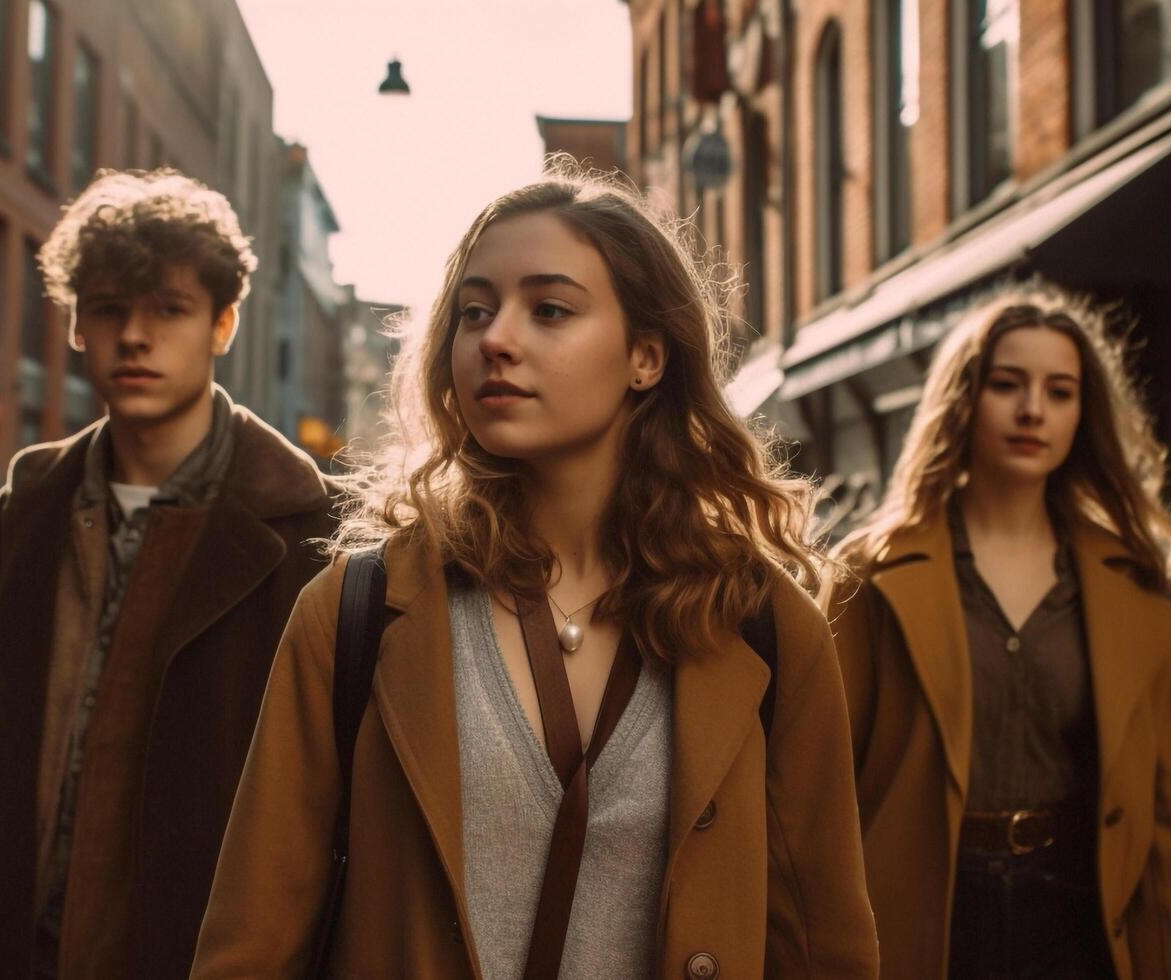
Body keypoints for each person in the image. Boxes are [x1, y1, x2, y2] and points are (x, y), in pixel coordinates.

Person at [191, 167, 878, 978]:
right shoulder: (358, 611)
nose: (496, 339)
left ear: (646, 358)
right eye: (474, 311)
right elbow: (253, 942)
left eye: (549, 309)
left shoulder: (761, 623)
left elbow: (821, 942)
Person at [0, 168, 338, 980]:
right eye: (110, 309)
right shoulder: (30, 504)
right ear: (78, 326)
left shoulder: (302, 525)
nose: (136, 336)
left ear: (223, 324)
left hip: (195, 950)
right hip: (17, 942)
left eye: (169, 310)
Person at [820, 284, 1171, 979]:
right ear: (963, 399)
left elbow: (1170, 824)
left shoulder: (1128, 582)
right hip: (920, 911)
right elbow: (817, 786)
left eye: (1059, 391)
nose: (1033, 409)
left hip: (1079, 908)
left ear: (1080, 413)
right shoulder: (870, 572)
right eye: (1007, 384)